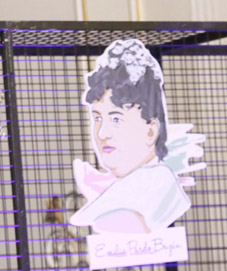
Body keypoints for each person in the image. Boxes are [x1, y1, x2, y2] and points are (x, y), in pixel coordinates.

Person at [70, 39, 191, 234]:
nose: (102, 133)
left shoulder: (154, 187)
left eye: (116, 119)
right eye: (98, 118)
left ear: (151, 130)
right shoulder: (133, 187)